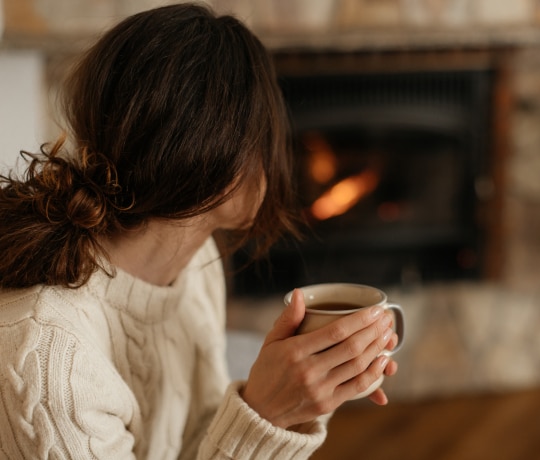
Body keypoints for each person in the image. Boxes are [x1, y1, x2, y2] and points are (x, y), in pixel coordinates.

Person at [0, 3, 399, 459]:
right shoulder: (51, 362)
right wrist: (265, 416)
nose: (273, 165)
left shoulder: (194, 267)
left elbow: (197, 445)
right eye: (265, 142)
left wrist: (297, 398)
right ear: (218, 159)